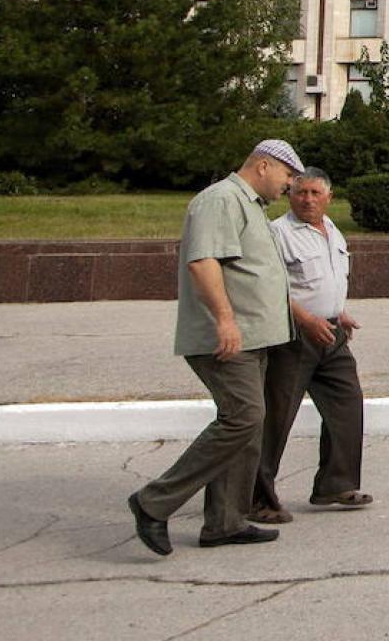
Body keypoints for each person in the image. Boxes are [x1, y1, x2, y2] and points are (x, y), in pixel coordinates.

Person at [127, 140, 303, 556]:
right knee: (243, 417)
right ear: (263, 166)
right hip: (227, 337)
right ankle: (154, 502)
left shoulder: (250, 206)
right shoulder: (220, 200)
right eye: (288, 177)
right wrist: (225, 319)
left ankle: (225, 522)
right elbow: (202, 262)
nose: (291, 186)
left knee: (247, 424)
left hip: (254, 336)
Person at [250, 169, 372, 525]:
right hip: (294, 336)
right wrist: (306, 319)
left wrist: (339, 312)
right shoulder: (278, 234)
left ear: (329, 197)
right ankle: (256, 498)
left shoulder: (332, 230)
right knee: (276, 417)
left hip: (331, 334)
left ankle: (336, 484)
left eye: (315, 193)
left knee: (347, 405)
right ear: (290, 194)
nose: (307, 199)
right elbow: (270, 288)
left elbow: (326, 280)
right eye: (300, 192)